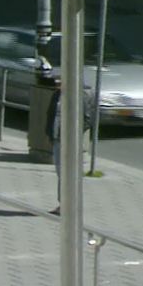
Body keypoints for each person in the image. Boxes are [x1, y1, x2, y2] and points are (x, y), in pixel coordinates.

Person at [45, 78, 94, 215]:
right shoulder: (56, 95)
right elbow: (50, 114)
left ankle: (69, 205)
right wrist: (49, 133)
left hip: (70, 141)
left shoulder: (79, 97)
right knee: (61, 173)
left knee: (68, 173)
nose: (57, 85)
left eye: (60, 83)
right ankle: (63, 204)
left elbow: (87, 119)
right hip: (56, 138)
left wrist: (74, 133)